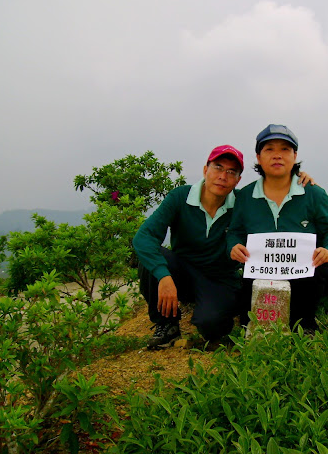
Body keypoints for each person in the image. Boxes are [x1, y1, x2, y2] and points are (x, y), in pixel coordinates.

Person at [133, 144, 315, 349]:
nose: (223, 176)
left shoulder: (242, 203)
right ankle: (167, 326)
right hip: (182, 271)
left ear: (238, 180)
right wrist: (164, 277)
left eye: (231, 172)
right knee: (152, 256)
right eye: (218, 167)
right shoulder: (180, 197)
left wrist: (293, 180)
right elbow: (144, 237)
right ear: (205, 170)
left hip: (220, 279)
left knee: (212, 328)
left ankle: (217, 312)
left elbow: (275, 210)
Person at [227, 124, 328, 332]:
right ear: (258, 157)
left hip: (303, 274)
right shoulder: (245, 196)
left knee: (322, 272)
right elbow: (235, 230)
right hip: (259, 272)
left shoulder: (314, 194)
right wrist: (234, 246)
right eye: (269, 149)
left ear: (294, 155)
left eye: (285, 149)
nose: (277, 156)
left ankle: (305, 324)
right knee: (253, 327)